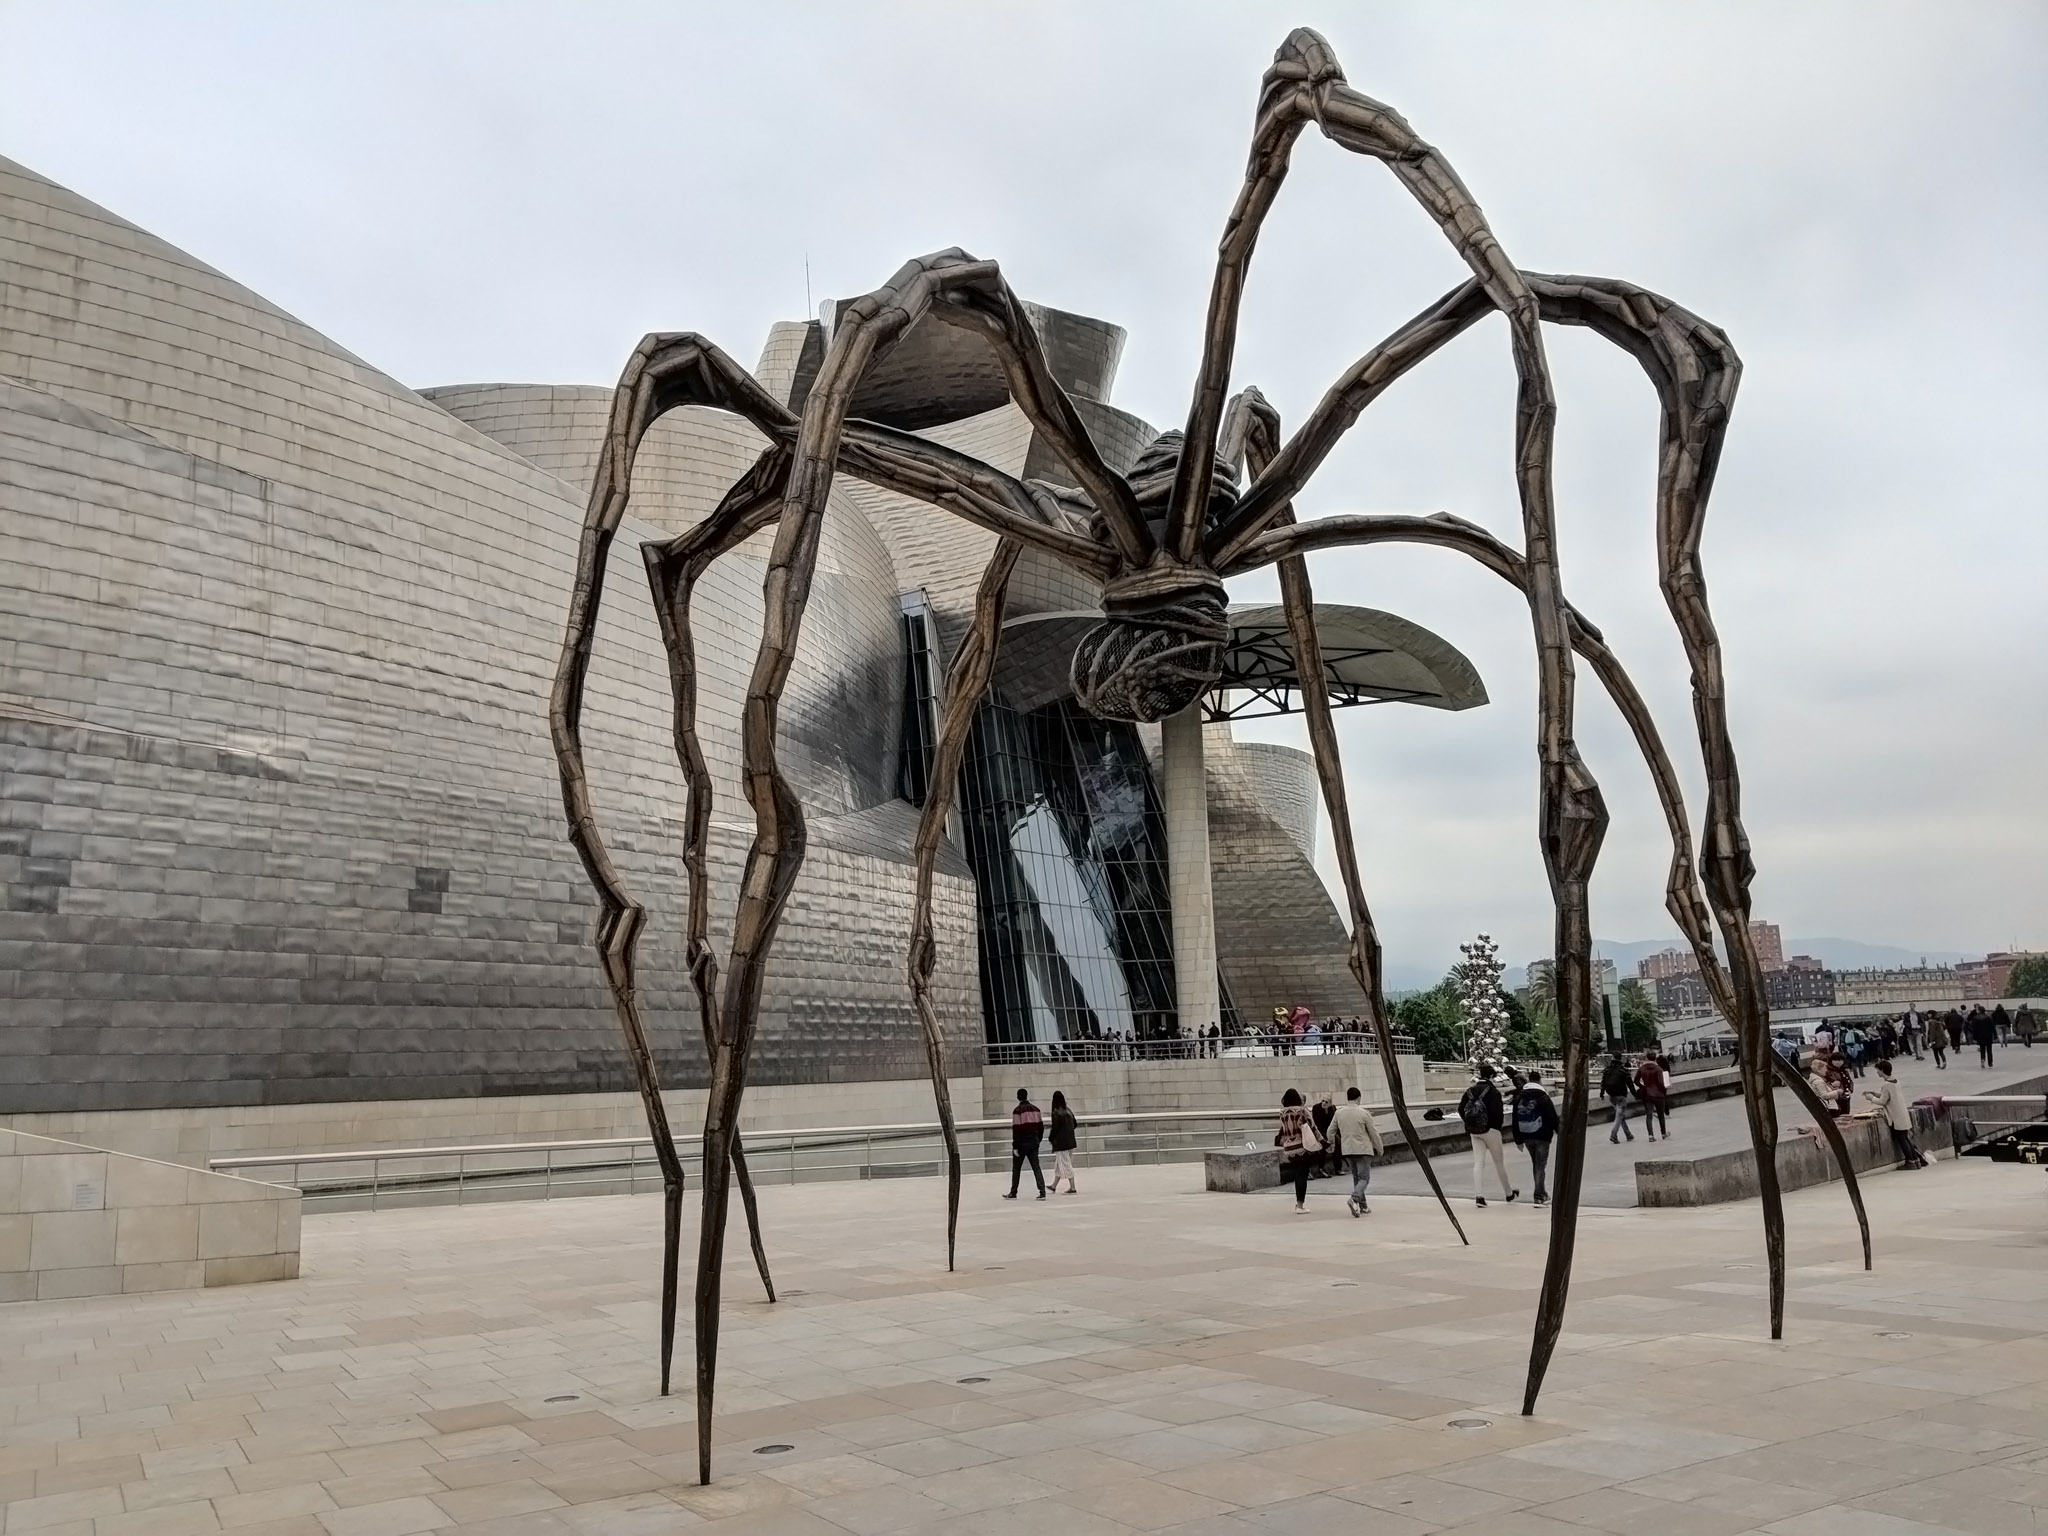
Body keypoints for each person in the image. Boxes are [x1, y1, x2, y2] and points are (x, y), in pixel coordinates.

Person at [1458, 1065, 1517, 1208]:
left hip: (1474, 1130)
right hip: (1491, 1130)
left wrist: (1469, 1122)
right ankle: (1508, 1193)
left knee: (1478, 1162)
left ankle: (1479, 1196)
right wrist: (1495, 1127)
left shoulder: (1470, 1091)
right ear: (1492, 1076)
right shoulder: (1493, 1092)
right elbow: (1498, 1113)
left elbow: (1461, 1108)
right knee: (1499, 1162)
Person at [1858, 1060, 1927, 1170]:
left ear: (1882, 1070)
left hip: (1895, 1116)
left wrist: (1871, 1098)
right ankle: (1916, 1160)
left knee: (1902, 1139)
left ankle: (1910, 1161)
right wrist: (1876, 1094)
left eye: (1877, 1070)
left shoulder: (1886, 1085)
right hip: (1902, 1113)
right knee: (1905, 1138)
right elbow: (1889, 1097)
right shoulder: (1895, 1082)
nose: (1877, 1072)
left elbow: (1883, 1101)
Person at [1330, 1086, 1384, 1216]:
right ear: (1359, 1098)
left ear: (1347, 1098)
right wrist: (1379, 1148)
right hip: (1363, 1149)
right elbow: (1373, 1133)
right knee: (1364, 1178)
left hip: (1348, 1150)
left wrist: (1332, 1143)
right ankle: (1354, 1199)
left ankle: (1363, 1206)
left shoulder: (1339, 1113)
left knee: (1356, 1178)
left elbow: (1330, 1131)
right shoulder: (1364, 1113)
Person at [1510, 1067, 1559, 1206]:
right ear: (1539, 1080)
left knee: (1536, 1164)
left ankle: (1542, 1192)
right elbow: (1552, 1117)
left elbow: (1514, 1119)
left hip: (1526, 1136)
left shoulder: (1519, 1097)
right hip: (1542, 1136)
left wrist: (1518, 1139)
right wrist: (1560, 1131)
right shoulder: (1543, 1097)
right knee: (1540, 1165)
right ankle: (1539, 1196)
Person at [1276, 1088, 1316, 1212]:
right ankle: (1300, 1204)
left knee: (1298, 1173)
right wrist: (1323, 1142)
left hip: (1289, 1148)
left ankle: (1298, 1203)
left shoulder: (1282, 1112)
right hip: (1302, 1147)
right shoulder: (1301, 1110)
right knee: (1302, 1175)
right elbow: (1312, 1126)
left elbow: (1283, 1129)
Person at [1004, 1087, 1046, 1200]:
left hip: (1022, 1143)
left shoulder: (1017, 1111)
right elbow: (1041, 1127)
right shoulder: (1036, 1110)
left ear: (1018, 1097)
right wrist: (1038, 1140)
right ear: (1026, 1096)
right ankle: (1042, 1191)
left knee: (1016, 1168)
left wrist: (1015, 1146)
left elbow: (1016, 1129)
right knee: (1036, 1167)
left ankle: (1013, 1192)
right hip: (1033, 1142)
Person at [1047, 1090, 1079, 1195]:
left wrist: (1051, 1138)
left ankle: (1073, 1187)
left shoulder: (1056, 1112)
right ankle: (1053, 1186)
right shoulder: (1068, 1110)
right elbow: (1075, 1124)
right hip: (1070, 1141)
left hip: (1061, 1143)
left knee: (1065, 1164)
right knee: (1059, 1165)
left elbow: (1055, 1128)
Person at [1601, 1053, 1635, 1143]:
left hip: (1612, 1096)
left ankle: (1628, 1134)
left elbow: (1603, 1082)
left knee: (1620, 1116)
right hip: (1621, 1096)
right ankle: (1613, 1135)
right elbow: (1630, 1084)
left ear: (1612, 1058)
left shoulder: (1607, 1069)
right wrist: (1635, 1094)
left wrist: (1601, 1093)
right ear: (1621, 1059)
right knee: (1619, 1116)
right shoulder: (1623, 1070)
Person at [1310, 1092, 1339, 1177]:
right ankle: (1321, 1169)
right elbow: (1317, 1124)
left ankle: (1338, 1168)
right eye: (1322, 1101)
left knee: (1337, 1142)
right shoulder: (1316, 1108)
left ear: (1330, 1103)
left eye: (1326, 1102)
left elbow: (1334, 1123)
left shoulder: (1332, 1109)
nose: (1324, 1103)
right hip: (1320, 1132)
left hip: (1330, 1131)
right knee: (1323, 1144)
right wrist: (1325, 1136)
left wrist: (1332, 1134)